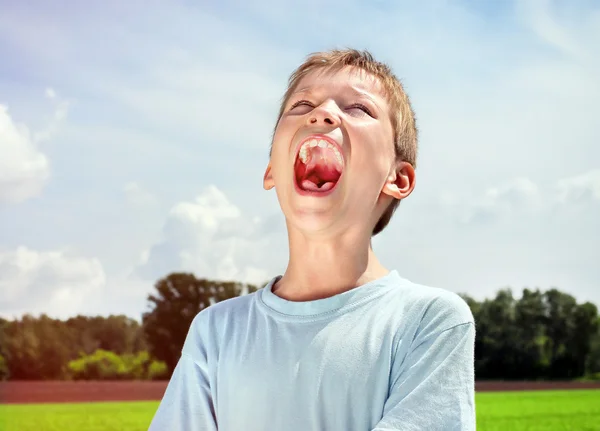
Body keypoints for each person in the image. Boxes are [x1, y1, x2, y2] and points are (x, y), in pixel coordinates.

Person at [149, 49, 476, 431]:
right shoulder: (216, 330)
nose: (320, 114)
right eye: (302, 104)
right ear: (272, 169)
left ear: (397, 178)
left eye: (358, 109)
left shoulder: (428, 321)